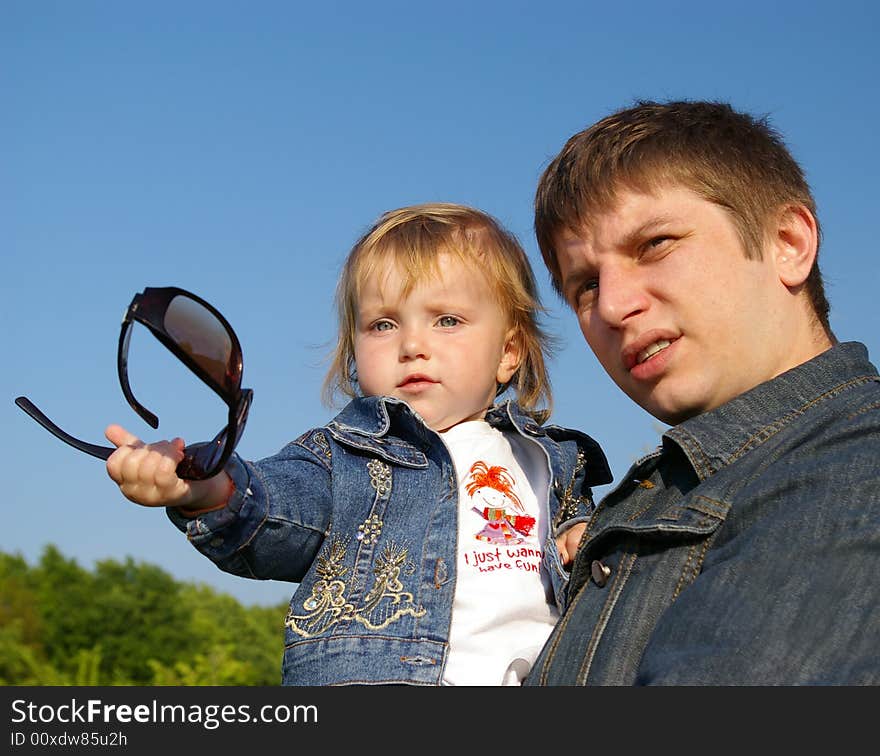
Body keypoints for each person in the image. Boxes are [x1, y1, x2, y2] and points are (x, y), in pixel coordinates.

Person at [104, 202, 611, 686]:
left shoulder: (555, 462)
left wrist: (583, 534)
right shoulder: (342, 458)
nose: (413, 345)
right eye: (383, 325)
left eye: (447, 320)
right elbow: (272, 508)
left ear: (508, 352)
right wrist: (206, 486)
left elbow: (582, 551)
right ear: (353, 352)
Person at [523, 99, 880, 685]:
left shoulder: (852, 462)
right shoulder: (671, 490)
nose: (612, 307)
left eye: (655, 244)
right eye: (585, 285)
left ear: (787, 242)